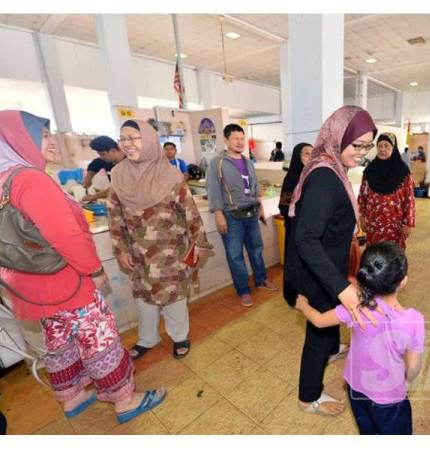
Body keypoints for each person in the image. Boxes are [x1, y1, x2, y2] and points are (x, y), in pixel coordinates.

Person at [0, 110, 165, 424]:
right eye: (43, 135)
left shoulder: (4, 179)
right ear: (20, 139)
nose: (52, 141)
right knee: (98, 337)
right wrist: (94, 270)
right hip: (65, 282)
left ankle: (73, 397)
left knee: (59, 339)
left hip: (31, 288)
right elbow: (66, 235)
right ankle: (124, 399)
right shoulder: (30, 180)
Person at [285, 105, 379, 416]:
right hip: (318, 271)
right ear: (338, 137)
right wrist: (340, 287)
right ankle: (308, 396)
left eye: (368, 145)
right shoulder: (325, 178)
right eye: (358, 145)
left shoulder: (333, 166)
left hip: (327, 264)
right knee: (318, 332)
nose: (363, 153)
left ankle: (332, 347)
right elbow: (306, 239)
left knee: (329, 327)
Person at [108, 120, 212, 361]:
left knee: (173, 296)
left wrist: (195, 253)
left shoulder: (171, 176)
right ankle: (148, 338)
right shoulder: (119, 175)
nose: (127, 143)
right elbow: (115, 216)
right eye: (123, 138)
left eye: (134, 137)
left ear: (149, 140)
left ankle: (179, 336)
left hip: (170, 252)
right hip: (137, 252)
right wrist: (120, 249)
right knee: (144, 297)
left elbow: (191, 217)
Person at [296, 241, 424, 434]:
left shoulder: (355, 307)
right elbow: (413, 366)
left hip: (355, 388)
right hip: (389, 398)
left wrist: (302, 304)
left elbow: (320, 321)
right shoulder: (414, 320)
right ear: (403, 281)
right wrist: (406, 382)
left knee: (368, 431)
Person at [206, 124, 277, 308]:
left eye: (241, 138)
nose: (239, 142)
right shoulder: (217, 163)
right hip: (231, 216)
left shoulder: (247, 162)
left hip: (252, 213)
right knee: (235, 255)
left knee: (256, 249)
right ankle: (243, 290)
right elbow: (213, 190)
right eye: (235, 138)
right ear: (226, 140)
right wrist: (219, 214)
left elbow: (254, 187)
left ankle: (261, 280)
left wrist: (260, 207)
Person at [358, 132, 415, 250]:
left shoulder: (403, 172)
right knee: (373, 253)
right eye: (380, 146)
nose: (382, 149)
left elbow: (409, 199)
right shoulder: (370, 171)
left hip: (395, 225)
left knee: (393, 254)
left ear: (393, 148)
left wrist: (408, 223)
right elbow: (362, 195)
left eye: (386, 146)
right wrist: (362, 217)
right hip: (373, 224)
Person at [278, 142, 313, 305]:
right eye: (306, 154)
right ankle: (294, 294)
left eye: (312, 154)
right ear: (297, 156)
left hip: (311, 229)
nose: (310, 157)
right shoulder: (292, 178)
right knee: (295, 261)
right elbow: (284, 205)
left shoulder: (314, 175)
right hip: (295, 228)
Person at [81, 136, 125, 202]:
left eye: (103, 154)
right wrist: (88, 178)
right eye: (100, 155)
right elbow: (95, 163)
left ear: (113, 150)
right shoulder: (108, 160)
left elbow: (117, 189)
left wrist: (94, 196)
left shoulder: (128, 165)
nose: (101, 157)